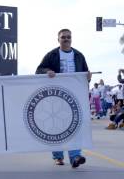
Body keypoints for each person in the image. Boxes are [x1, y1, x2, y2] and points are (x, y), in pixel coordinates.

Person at [36, 29, 91, 168]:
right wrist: (47, 71)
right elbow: (39, 70)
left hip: (74, 96)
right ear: (58, 39)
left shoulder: (79, 55)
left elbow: (85, 74)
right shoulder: (52, 55)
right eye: (63, 37)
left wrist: (88, 77)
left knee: (75, 126)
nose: (66, 39)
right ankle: (58, 156)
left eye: (68, 37)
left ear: (71, 39)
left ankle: (75, 157)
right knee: (57, 127)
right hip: (56, 96)